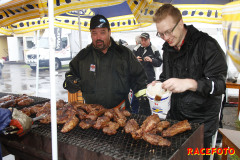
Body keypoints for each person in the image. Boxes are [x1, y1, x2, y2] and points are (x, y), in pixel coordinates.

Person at [152, 4, 228, 159]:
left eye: (168, 31)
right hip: (175, 118)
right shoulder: (167, 48)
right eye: (161, 34)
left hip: (202, 124)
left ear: (180, 23)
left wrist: (191, 83)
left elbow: (219, 85)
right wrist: (159, 84)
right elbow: (166, 76)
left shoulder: (207, 45)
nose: (166, 38)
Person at [63, 14, 150, 115]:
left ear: (109, 32)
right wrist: (70, 82)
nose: (98, 37)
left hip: (121, 113)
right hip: (92, 116)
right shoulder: (83, 56)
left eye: (102, 32)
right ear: (90, 34)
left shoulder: (124, 54)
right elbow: (70, 75)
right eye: (94, 33)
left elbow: (138, 78)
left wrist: (143, 101)